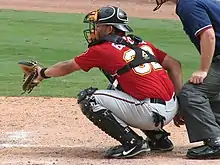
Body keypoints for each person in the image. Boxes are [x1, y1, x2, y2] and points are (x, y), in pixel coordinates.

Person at [34, 6, 182, 159]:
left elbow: (67, 66)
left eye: (98, 26)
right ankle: (159, 140)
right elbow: (175, 65)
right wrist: (181, 105)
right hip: (172, 107)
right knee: (116, 86)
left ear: (109, 28)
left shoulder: (103, 49)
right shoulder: (142, 44)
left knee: (89, 99)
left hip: (149, 113)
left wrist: (42, 73)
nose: (94, 30)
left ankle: (132, 143)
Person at [153, 0, 220, 159]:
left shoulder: (187, 4)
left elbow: (208, 35)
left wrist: (203, 70)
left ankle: (215, 142)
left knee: (192, 93)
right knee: (211, 94)